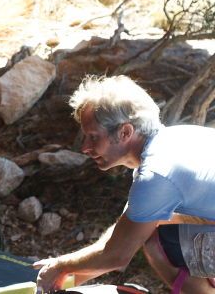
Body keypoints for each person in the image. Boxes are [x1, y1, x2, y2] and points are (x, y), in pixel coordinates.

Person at [34, 75, 215, 294]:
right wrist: (65, 274)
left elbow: (118, 255)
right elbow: (124, 233)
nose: (84, 147)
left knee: (159, 246)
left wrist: (61, 265)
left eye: (93, 137)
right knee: (164, 223)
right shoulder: (174, 140)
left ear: (125, 132)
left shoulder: (156, 174)